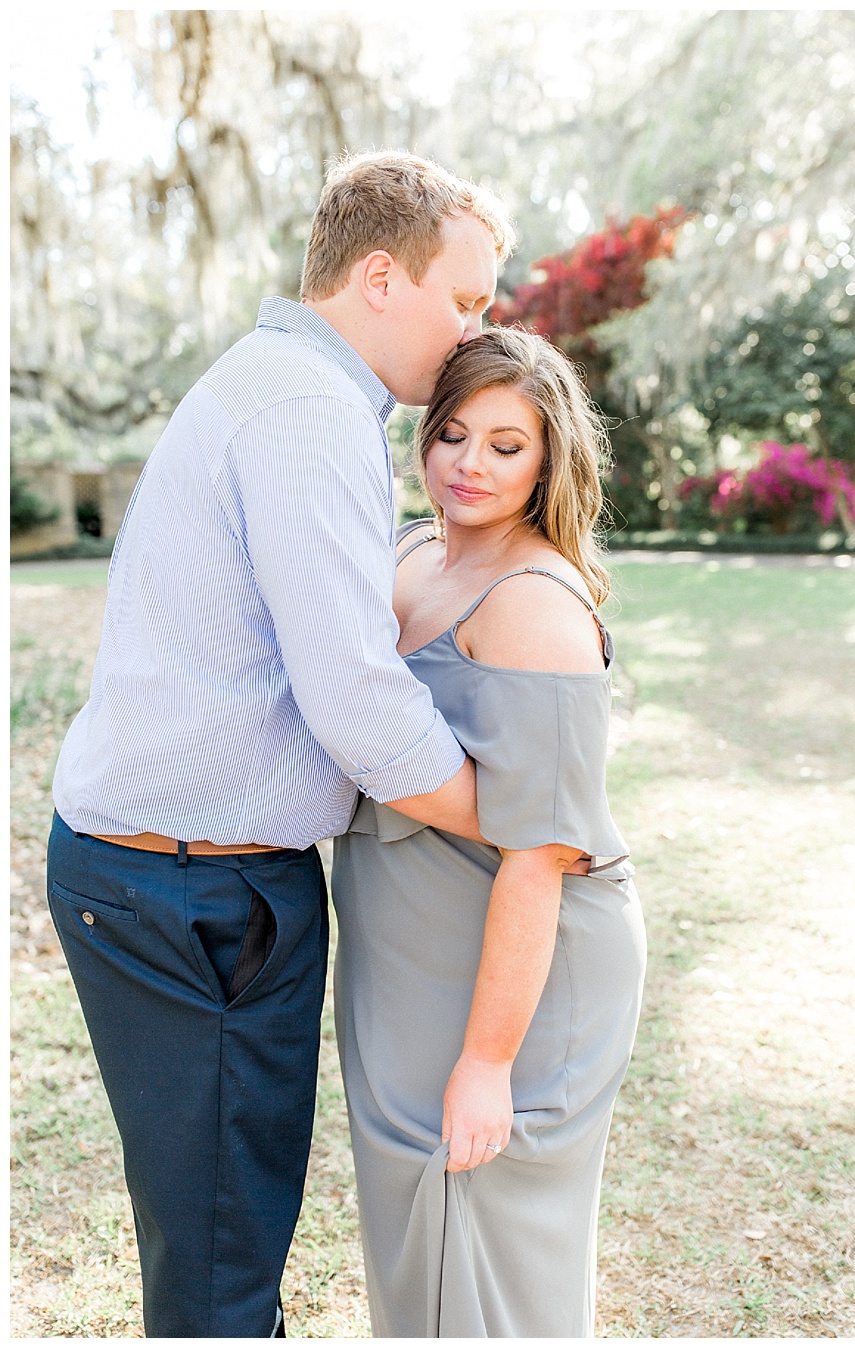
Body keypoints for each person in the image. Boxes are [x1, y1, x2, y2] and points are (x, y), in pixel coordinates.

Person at [44, 150, 514, 1337]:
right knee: (218, 1267)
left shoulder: (289, 388)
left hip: (195, 879)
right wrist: (527, 824)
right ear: (376, 276)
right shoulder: (305, 407)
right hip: (186, 892)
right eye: (465, 299)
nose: (475, 332)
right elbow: (355, 698)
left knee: (226, 1239)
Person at [331, 326, 647, 1337]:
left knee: (489, 1240)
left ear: (550, 458)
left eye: (506, 446)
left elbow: (542, 851)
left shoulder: (534, 605)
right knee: (413, 1221)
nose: (470, 463)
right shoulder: (419, 552)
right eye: (453, 433)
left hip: (518, 971)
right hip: (413, 951)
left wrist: (487, 1060)